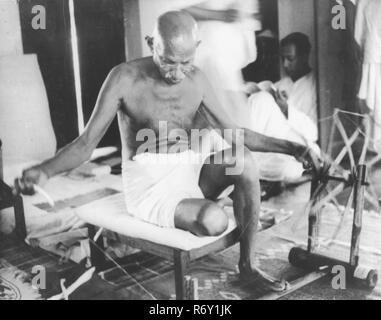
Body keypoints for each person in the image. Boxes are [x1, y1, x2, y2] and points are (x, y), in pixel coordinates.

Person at [16, 11, 318, 291]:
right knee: (215, 221)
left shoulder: (197, 78)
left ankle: (248, 266)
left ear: (196, 47)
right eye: (168, 61)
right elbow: (85, 145)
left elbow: (235, 133)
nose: (176, 72)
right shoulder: (123, 78)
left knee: (242, 160)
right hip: (150, 187)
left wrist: (294, 148)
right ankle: (201, 212)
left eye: (185, 62)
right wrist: (44, 171)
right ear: (151, 44)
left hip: (189, 169)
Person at [247, 32, 319, 182]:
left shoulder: (315, 87)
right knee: (260, 98)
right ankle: (246, 153)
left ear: (304, 56)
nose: (285, 64)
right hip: (272, 140)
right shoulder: (283, 83)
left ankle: (248, 161)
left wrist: (286, 109)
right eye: (283, 59)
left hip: (297, 144)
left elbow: (313, 132)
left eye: (290, 59)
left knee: (290, 169)